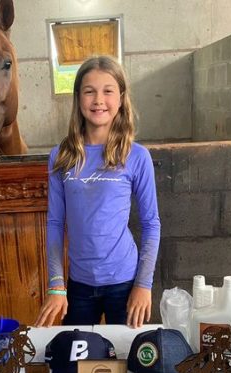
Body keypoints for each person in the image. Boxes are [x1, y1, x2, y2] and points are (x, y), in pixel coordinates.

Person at [35, 55, 161, 329]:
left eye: (108, 91)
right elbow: (56, 223)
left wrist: (143, 284)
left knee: (129, 363)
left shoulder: (136, 156)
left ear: (121, 97)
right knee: (73, 366)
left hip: (124, 284)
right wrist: (56, 284)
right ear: (78, 98)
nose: (98, 100)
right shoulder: (62, 155)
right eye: (89, 91)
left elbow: (151, 224)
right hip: (79, 286)